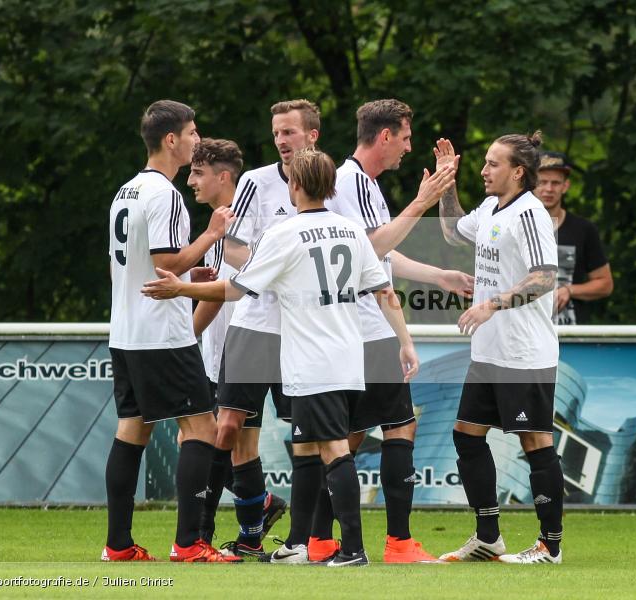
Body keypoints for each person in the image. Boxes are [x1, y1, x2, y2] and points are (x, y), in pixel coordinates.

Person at [143, 148, 419, 567]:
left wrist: (181, 289)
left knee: (333, 451)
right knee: (313, 446)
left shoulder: (284, 234)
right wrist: (405, 342)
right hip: (349, 356)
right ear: (331, 186)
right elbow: (384, 291)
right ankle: (304, 544)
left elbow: (237, 288)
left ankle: (352, 550)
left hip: (310, 359)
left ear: (294, 186)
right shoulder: (350, 230)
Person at [314, 99, 466, 563]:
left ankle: (319, 538)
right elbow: (370, 249)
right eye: (404, 137)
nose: (408, 147)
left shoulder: (360, 183)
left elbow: (381, 250)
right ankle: (398, 542)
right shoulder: (353, 182)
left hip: (352, 328)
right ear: (384, 136)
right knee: (400, 426)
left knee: (350, 437)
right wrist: (421, 202)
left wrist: (437, 275)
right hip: (364, 325)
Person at [104, 100, 239, 562]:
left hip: (125, 331)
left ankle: (118, 545)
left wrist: (187, 278)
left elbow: (131, 268)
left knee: (132, 430)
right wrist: (212, 233)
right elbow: (164, 262)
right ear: (171, 140)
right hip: (162, 334)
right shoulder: (165, 194)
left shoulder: (126, 191)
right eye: (192, 133)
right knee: (200, 426)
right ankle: (189, 544)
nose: (197, 140)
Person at [199, 100, 321, 558]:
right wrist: (270, 272)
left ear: (312, 135)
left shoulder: (332, 183)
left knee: (308, 435)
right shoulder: (255, 182)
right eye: (276, 133)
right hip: (254, 326)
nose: (281, 141)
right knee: (229, 427)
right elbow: (230, 246)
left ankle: (302, 540)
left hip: (304, 332)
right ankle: (205, 536)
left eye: (289, 132)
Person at [437, 133, 564, 564]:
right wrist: (445, 181)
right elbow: (454, 232)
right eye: (484, 163)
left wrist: (492, 303)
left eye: (492, 164)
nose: (484, 170)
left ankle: (550, 546)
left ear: (518, 172)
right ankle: (488, 537)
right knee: (466, 435)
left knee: (535, 443)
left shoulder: (530, 214)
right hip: (488, 353)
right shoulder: (492, 207)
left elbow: (545, 277)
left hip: (524, 353)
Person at [534, 151, 613, 324]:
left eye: (555, 183)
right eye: (543, 182)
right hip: (524, 331)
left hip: (571, 333)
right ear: (532, 184)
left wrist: (569, 290)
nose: (548, 189)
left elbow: (605, 284)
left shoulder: (584, 229)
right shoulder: (514, 226)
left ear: (565, 186)